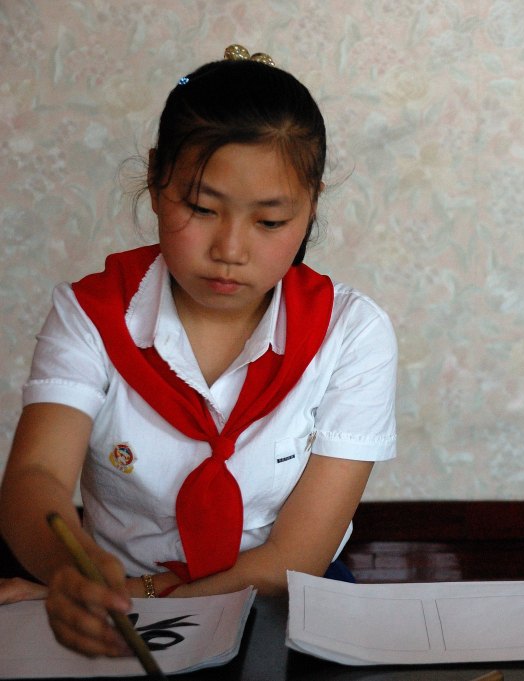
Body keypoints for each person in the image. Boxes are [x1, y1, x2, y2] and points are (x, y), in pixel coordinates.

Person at [0, 45, 397, 657]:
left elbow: (294, 560)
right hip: (107, 608)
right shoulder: (91, 314)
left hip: (284, 606)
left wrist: (139, 596)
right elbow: (35, 478)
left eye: (269, 222)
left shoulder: (350, 334)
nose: (230, 249)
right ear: (158, 180)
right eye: (201, 207)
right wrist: (66, 574)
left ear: (311, 203)